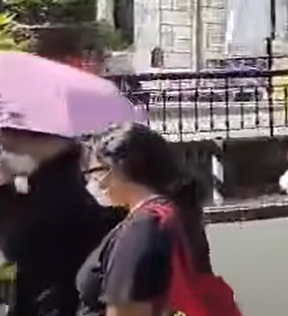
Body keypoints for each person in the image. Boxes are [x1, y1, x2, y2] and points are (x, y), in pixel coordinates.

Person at [0, 128, 123, 316]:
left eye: (7, 148)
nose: (1, 156)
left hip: (56, 303)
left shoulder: (57, 188)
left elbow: (21, 247)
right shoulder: (54, 178)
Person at [77, 122, 216, 316]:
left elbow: (128, 311)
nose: (92, 182)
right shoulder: (174, 214)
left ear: (116, 169)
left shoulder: (140, 229)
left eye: (94, 172)